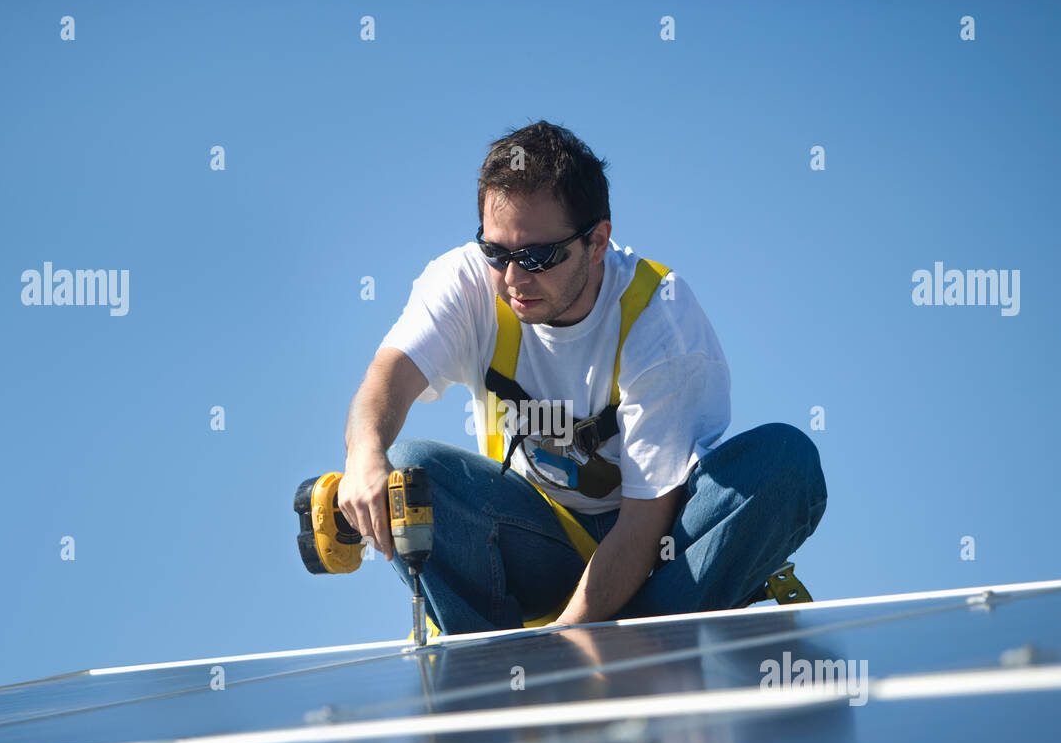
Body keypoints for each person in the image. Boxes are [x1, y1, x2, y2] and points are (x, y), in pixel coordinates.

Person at [337, 120, 827, 635]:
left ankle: (633, 646)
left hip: (663, 550)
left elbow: (643, 524)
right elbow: (387, 376)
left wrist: (563, 651)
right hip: (537, 546)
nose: (513, 279)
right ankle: (486, 674)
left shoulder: (659, 319)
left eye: (537, 257)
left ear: (597, 241)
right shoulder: (466, 283)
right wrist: (364, 456)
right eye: (497, 253)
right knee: (408, 470)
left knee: (784, 464)